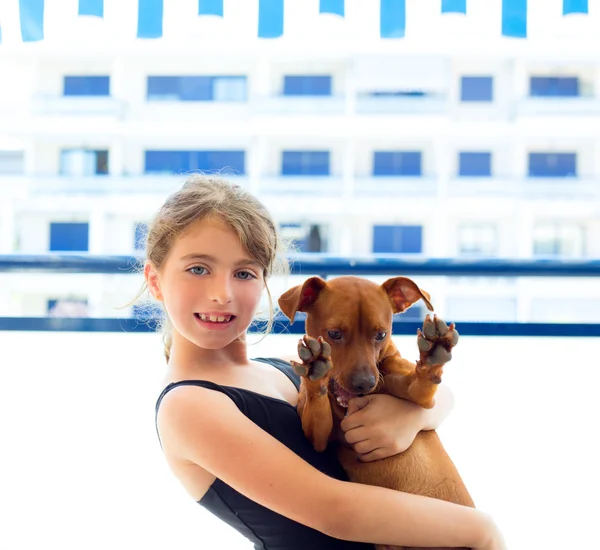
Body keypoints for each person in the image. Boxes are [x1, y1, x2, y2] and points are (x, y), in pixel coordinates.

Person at [140, 175, 506, 549]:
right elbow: (336, 511)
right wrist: (482, 531)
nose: (222, 293)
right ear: (155, 279)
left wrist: (413, 417)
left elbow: (440, 395)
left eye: (244, 273)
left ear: (264, 281)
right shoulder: (188, 406)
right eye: (198, 268)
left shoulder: (284, 365)